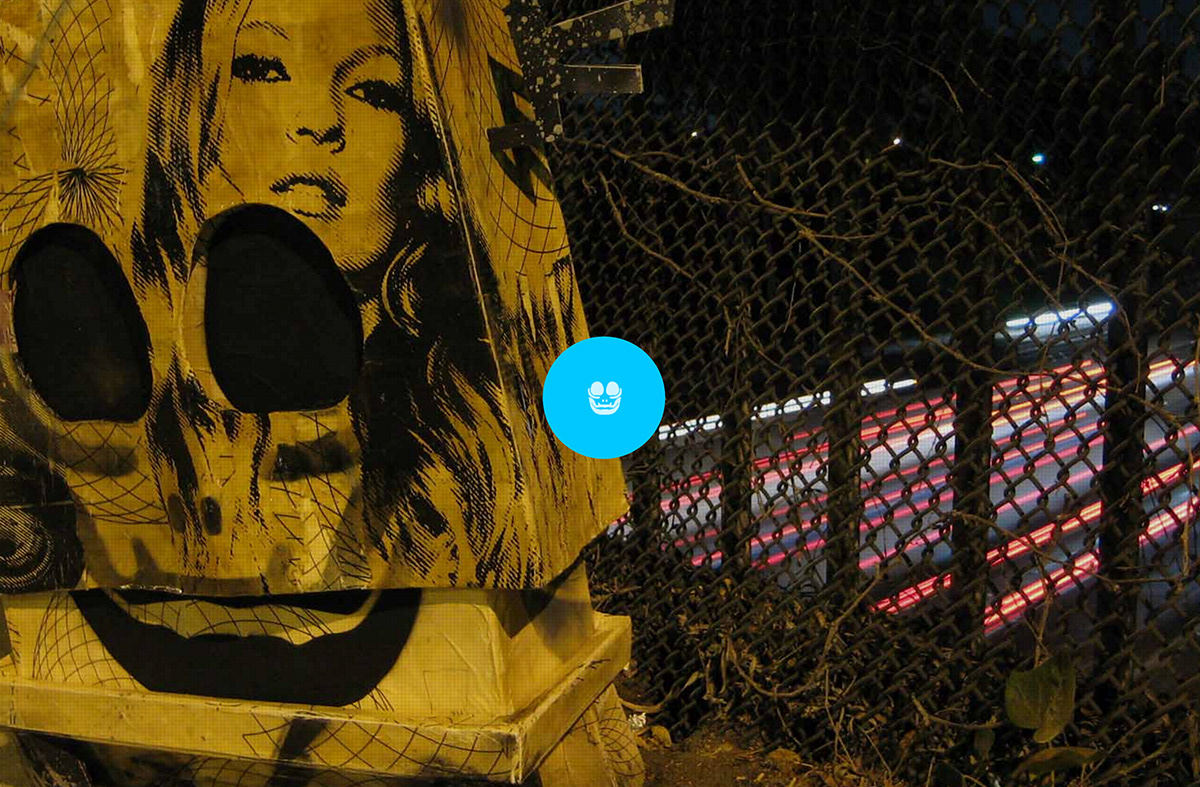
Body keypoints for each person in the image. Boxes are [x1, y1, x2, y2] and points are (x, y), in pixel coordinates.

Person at [129, 0, 533, 589]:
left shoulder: (479, 434)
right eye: (263, 69)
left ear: (419, 150)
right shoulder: (138, 419)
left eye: (373, 91)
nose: (318, 120)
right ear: (190, 114)